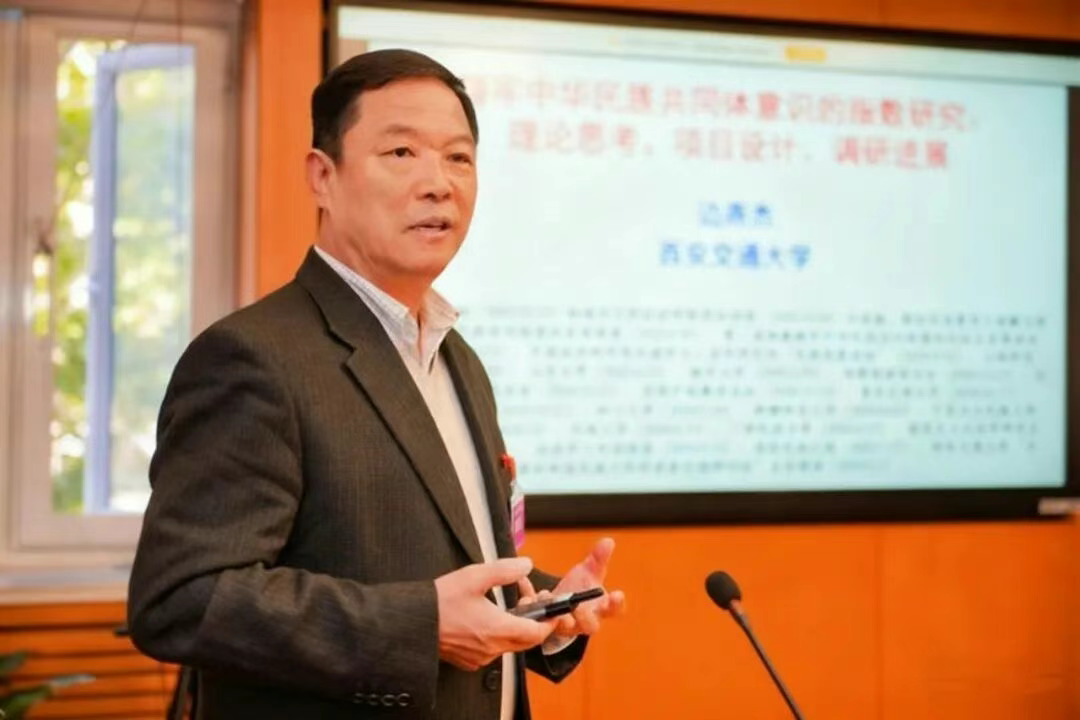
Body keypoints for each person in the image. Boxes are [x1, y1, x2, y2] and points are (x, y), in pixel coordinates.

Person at [126, 48, 625, 720]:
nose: (439, 183)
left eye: (459, 157)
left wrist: (539, 607)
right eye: (401, 153)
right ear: (322, 177)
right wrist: (420, 625)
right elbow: (182, 600)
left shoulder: (457, 357)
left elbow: (442, 558)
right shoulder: (253, 358)